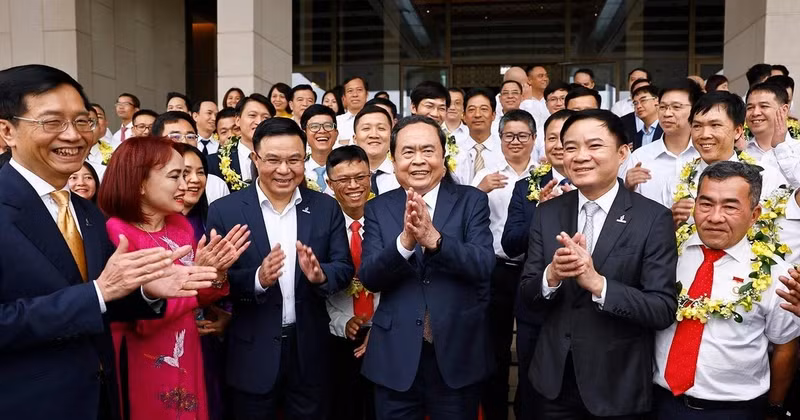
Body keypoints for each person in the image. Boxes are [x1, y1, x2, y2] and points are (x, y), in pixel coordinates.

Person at [0, 63, 217, 420]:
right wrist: (97, 294)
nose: (73, 136)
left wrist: (147, 292)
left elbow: (105, 300)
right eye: (52, 122)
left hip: (99, 397)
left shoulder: (87, 212)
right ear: (8, 130)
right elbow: (91, 296)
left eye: (83, 121)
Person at [518, 109, 678, 418]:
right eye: (571, 147)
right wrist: (550, 277)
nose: (580, 156)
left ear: (622, 153)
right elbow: (527, 295)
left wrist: (599, 284)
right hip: (554, 381)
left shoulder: (652, 219)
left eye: (594, 146)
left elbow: (661, 308)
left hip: (617, 383)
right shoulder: (548, 212)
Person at [206, 117, 353, 419]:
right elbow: (217, 278)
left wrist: (320, 275)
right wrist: (258, 278)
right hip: (251, 351)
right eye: (273, 160)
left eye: (294, 160)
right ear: (255, 158)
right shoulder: (226, 210)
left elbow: (344, 267)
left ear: (305, 159)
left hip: (310, 351)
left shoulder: (325, 208)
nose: (284, 170)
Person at [99, 136, 249, 420]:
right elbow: (134, 314)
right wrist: (194, 284)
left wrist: (214, 274)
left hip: (185, 346)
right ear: (140, 183)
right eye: (175, 176)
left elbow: (197, 297)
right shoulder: (117, 233)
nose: (186, 184)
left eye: (187, 174)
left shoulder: (178, 226)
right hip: (143, 356)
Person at [359, 115, 495, 420]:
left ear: (443, 158)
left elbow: (483, 264)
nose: (418, 161)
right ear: (394, 162)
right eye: (408, 152)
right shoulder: (378, 208)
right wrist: (405, 243)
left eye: (428, 150)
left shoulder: (471, 201)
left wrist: (435, 240)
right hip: (395, 357)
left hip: (457, 353)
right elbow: (369, 277)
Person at [652, 161, 800, 420]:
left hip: (734, 410)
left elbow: (785, 347)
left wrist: (774, 408)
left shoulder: (776, 274)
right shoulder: (665, 253)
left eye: (730, 206)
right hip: (659, 402)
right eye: (706, 204)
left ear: (755, 215)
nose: (715, 216)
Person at [502, 109, 574, 420]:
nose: (558, 144)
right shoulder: (526, 186)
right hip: (537, 305)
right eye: (551, 138)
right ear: (542, 143)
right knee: (533, 392)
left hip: (586, 307)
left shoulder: (606, 183)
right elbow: (510, 242)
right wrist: (540, 215)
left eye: (565, 138)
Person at [471, 109, 539, 420]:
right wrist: (479, 190)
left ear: (533, 139)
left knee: (530, 347)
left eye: (522, 135)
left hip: (532, 270)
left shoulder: (544, 175)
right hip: (495, 268)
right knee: (493, 349)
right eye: (508, 136)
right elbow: (466, 217)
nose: (515, 141)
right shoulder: (485, 174)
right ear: (499, 140)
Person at [663, 91, 786, 225]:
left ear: (738, 131)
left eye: (715, 125)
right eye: (697, 126)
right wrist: (670, 223)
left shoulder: (766, 177)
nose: (705, 135)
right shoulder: (675, 181)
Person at [324, 145, 380, 420]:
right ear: (329, 183)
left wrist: (380, 326)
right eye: (344, 180)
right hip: (336, 338)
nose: (354, 186)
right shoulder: (321, 225)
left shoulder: (388, 219)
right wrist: (342, 321)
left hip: (385, 333)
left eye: (361, 177)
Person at [621, 79, 702, 205]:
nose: (667, 113)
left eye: (676, 107)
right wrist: (627, 188)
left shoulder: (705, 155)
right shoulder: (640, 157)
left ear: (695, 110)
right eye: (663, 107)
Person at [152, 111, 231, 204]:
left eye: (190, 136)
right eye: (176, 136)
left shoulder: (216, 185)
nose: (184, 141)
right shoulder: (152, 182)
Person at [207, 94, 270, 191]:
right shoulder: (213, 162)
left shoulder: (281, 160)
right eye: (252, 115)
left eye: (265, 118)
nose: (259, 122)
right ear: (237, 120)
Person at [452, 88, 503, 185]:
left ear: (493, 115)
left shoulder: (504, 150)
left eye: (484, 109)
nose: (477, 115)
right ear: (464, 116)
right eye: (471, 110)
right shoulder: (454, 152)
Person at [353, 105, 400, 196]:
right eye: (366, 128)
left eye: (381, 128)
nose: (374, 135)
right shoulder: (343, 174)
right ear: (355, 138)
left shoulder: (403, 174)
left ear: (391, 136)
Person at [302, 104, 339, 194]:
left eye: (328, 126)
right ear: (304, 134)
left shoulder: (347, 167)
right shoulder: (298, 169)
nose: (322, 131)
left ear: (336, 133)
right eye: (314, 126)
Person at [623, 84, 663, 150]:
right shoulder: (637, 136)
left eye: (643, 100)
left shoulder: (668, 130)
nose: (638, 106)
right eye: (635, 103)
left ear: (657, 101)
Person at [337, 77, 369, 142]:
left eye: (359, 90)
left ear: (367, 95)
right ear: (344, 97)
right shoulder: (336, 121)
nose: (355, 95)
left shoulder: (375, 119)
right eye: (350, 91)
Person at [86, 106, 115, 174]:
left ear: (99, 127)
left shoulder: (116, 153)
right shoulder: (64, 155)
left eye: (92, 123)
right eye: (83, 123)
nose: (88, 128)